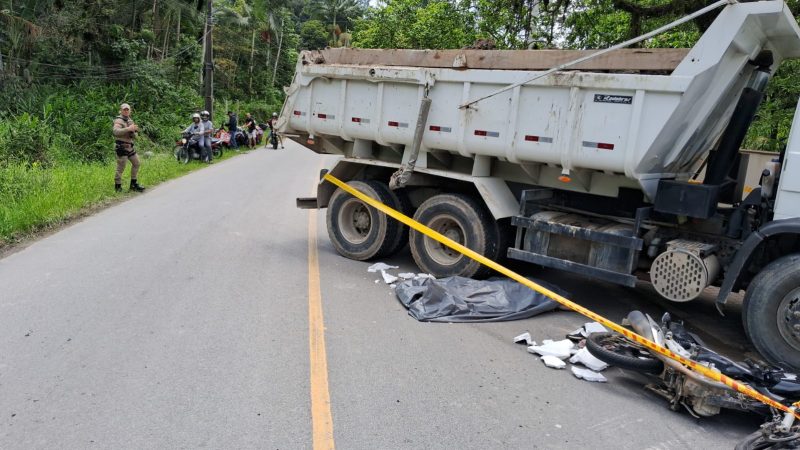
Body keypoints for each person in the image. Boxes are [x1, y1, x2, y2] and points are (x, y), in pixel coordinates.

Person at [112, 103, 145, 192]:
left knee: (137, 163)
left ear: (130, 111)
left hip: (130, 147)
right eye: (124, 109)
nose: (126, 111)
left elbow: (136, 136)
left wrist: (134, 132)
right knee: (121, 167)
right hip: (121, 147)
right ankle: (118, 187)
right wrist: (128, 129)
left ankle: (133, 184)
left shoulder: (130, 121)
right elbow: (115, 131)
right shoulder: (119, 121)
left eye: (127, 110)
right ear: (121, 111)